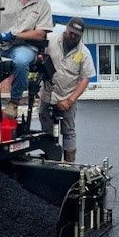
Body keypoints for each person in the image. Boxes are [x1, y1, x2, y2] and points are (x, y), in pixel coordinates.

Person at [38, 17, 95, 162]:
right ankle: (49, 162)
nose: (73, 36)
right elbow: (37, 55)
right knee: (47, 132)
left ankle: (69, 167)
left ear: (81, 36)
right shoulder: (50, 40)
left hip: (67, 98)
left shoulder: (84, 52)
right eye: (71, 32)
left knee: (68, 132)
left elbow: (85, 79)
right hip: (47, 96)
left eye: (77, 35)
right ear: (66, 29)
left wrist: (70, 100)